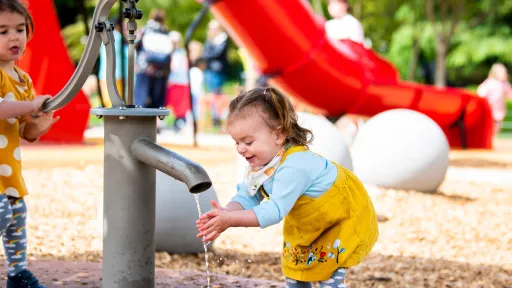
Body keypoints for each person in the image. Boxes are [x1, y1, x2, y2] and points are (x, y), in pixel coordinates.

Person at [196, 87, 378, 287]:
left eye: (247, 141)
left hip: (339, 218)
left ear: (278, 135)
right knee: (296, 273)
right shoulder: (261, 164)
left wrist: (231, 220)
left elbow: (274, 211)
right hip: (310, 223)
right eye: (236, 142)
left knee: (329, 276)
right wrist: (226, 212)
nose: (241, 149)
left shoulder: (294, 166)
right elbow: (248, 195)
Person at [0, 1, 60, 287]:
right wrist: (27, 106)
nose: (14, 37)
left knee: (16, 217)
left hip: (8, 170)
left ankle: (18, 274)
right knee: (2, 213)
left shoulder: (23, 79)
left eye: (20, 29)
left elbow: (25, 129)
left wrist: (39, 125)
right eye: (2, 31)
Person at [134, 8, 171, 109]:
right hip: (160, 70)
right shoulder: (166, 31)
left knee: (141, 98)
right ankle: (154, 122)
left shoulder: (145, 29)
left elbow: (135, 44)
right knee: (156, 99)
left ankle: (139, 121)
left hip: (144, 68)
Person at [203, 20, 229, 127]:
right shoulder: (210, 41)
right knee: (211, 95)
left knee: (217, 95)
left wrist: (210, 53)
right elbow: (206, 54)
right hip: (210, 71)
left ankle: (217, 117)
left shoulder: (222, 40)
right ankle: (213, 118)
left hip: (218, 71)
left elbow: (214, 54)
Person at [98, 18, 128, 107]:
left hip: (104, 74)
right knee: (117, 102)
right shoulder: (118, 36)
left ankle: (109, 120)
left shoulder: (103, 37)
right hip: (118, 74)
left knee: (108, 102)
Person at [477, 63, 512, 136]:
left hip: (499, 110)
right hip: (489, 109)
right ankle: (489, 141)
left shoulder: (504, 84)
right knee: (490, 127)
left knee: (497, 128)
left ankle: (492, 139)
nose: (505, 74)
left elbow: (509, 93)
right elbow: (480, 93)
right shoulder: (489, 83)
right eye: (503, 72)